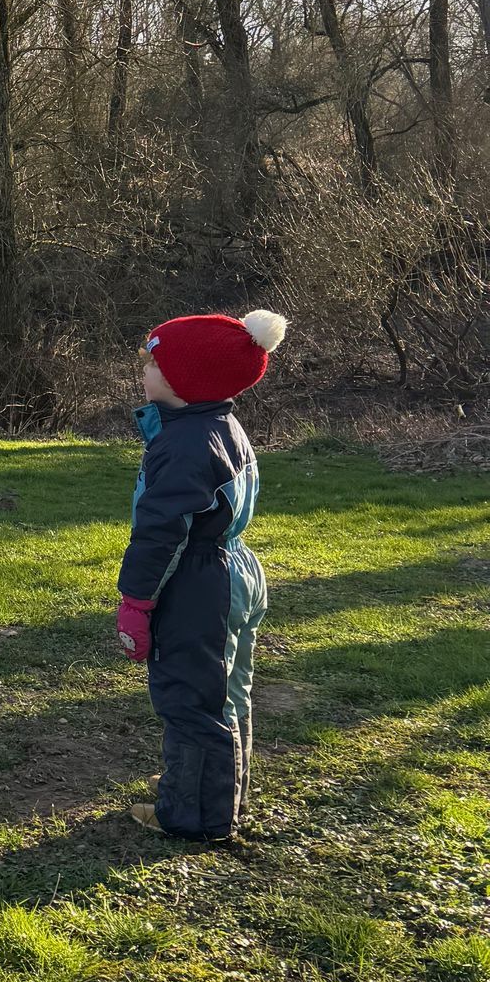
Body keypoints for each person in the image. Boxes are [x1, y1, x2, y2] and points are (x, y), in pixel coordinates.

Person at [116, 308, 289, 842]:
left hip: (200, 581)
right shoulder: (219, 425)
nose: (142, 372)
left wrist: (136, 603)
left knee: (190, 697)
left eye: (151, 365)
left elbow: (160, 534)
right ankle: (215, 787)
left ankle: (193, 815)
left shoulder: (185, 445)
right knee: (227, 691)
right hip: (234, 570)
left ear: (187, 383)